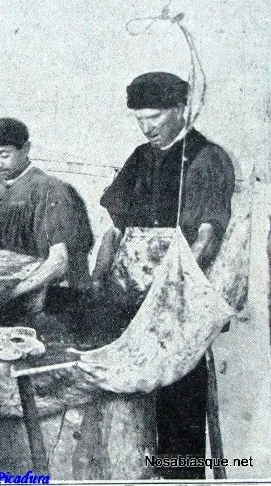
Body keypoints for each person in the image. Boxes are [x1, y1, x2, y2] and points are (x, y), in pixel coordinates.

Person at [92, 72, 235, 480]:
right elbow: (114, 229)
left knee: (178, 400)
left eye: (154, 117)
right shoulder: (140, 156)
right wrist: (100, 275)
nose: (147, 127)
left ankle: (180, 476)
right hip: (128, 296)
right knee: (126, 393)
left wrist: (172, 290)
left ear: (181, 110)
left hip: (175, 300)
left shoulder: (208, 159)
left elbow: (207, 236)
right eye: (139, 119)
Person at [0, 118, 94, 328]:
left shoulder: (50, 189)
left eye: (4, 155)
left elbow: (59, 263)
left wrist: (10, 294)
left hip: (36, 298)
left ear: (25, 149)